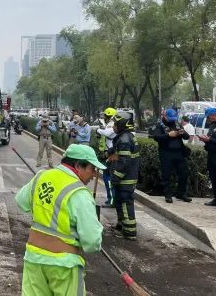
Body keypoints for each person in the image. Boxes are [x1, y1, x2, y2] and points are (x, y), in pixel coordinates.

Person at [15, 144, 105, 296]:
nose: (94, 175)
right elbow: (92, 242)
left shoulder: (41, 176)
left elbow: (21, 201)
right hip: (63, 267)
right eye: (91, 168)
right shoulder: (80, 193)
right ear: (78, 165)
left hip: (33, 260)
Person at [149, 109, 191, 203]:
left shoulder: (176, 124)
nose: (172, 120)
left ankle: (182, 194)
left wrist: (183, 133)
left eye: (174, 118)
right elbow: (156, 137)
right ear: (165, 116)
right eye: (170, 118)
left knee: (183, 174)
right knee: (166, 174)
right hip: (166, 152)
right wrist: (168, 135)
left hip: (179, 152)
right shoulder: (159, 125)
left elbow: (187, 137)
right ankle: (168, 195)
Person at [111, 112, 140, 240]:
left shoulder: (124, 140)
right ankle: (121, 224)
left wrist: (116, 176)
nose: (113, 126)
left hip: (126, 179)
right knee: (119, 201)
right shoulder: (125, 137)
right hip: (126, 177)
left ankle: (129, 232)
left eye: (115, 124)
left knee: (125, 203)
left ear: (122, 124)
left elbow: (124, 161)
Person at [96, 107, 117, 208]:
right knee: (106, 177)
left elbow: (107, 133)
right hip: (107, 153)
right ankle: (110, 198)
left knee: (109, 178)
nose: (105, 117)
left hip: (111, 155)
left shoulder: (112, 124)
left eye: (106, 116)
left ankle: (112, 200)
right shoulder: (110, 124)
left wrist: (98, 129)